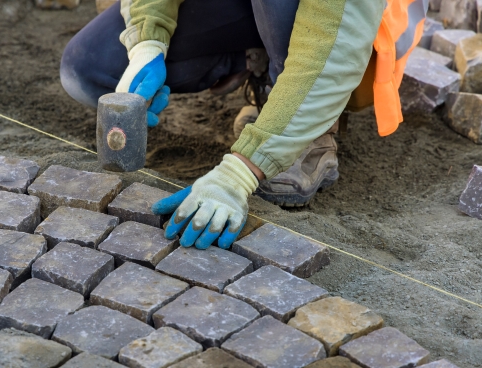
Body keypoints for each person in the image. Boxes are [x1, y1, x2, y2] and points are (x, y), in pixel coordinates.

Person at [60, 0, 427, 250]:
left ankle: (308, 122)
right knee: (89, 68)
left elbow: (335, 53)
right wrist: (147, 42)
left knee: (307, 46)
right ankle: (256, 60)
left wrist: (242, 171)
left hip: (353, 30)